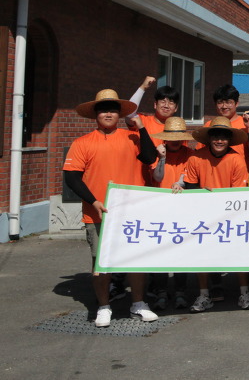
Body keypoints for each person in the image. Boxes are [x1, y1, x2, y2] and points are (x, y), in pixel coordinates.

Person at [62, 89, 159, 328]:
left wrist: (142, 128)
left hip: (132, 212)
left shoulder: (132, 137)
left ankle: (138, 303)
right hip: (98, 212)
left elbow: (149, 158)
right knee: (100, 263)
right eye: (103, 110)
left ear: (119, 114)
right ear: (96, 114)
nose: (108, 114)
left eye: (113, 110)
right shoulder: (82, 142)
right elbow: (72, 177)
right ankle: (104, 306)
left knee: (135, 260)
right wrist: (93, 200)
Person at [183, 116, 249, 312]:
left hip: (230, 214)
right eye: (216, 136)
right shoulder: (196, 157)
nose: (219, 140)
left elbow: (237, 195)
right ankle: (204, 295)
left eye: (224, 137)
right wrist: (201, 192)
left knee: (239, 254)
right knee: (202, 255)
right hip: (203, 214)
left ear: (229, 139)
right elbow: (190, 188)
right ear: (209, 138)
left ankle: (244, 293)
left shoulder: (236, 160)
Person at [149, 116, 194, 310]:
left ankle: (180, 292)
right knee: (160, 251)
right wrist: (162, 158)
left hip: (183, 210)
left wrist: (181, 182)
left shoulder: (191, 154)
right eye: (171, 137)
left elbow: (189, 176)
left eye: (178, 137)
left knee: (181, 252)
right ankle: (160, 292)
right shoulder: (157, 153)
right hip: (159, 209)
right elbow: (157, 177)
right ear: (165, 138)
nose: (175, 141)